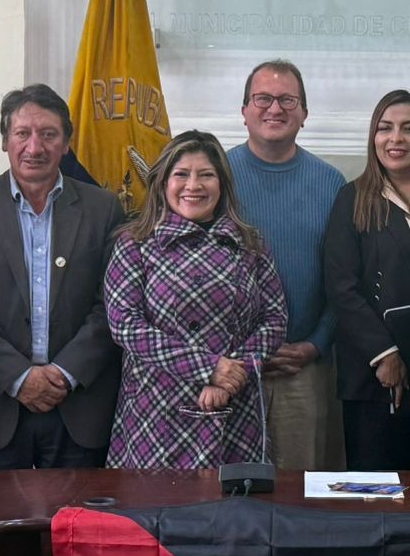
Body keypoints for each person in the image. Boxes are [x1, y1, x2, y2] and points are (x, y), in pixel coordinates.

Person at [0, 85, 125, 472]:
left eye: (49, 134)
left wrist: (64, 373)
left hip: (79, 407)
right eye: (22, 133)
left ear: (67, 143)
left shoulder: (103, 208)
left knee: (76, 530)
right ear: (5, 140)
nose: (35, 146)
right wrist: (19, 377)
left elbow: (113, 303)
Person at [103, 130, 287, 468]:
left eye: (206, 175)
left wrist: (231, 375)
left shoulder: (251, 244)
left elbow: (274, 322)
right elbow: (124, 325)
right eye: (181, 174)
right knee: (154, 514)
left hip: (235, 409)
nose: (193, 185)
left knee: (237, 513)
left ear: (222, 184)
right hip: (156, 413)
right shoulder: (135, 244)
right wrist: (208, 368)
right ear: (162, 183)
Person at [323, 90, 410, 470]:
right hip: (378, 371)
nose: (396, 139)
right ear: (373, 137)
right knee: (379, 490)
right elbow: (342, 286)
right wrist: (384, 355)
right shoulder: (353, 199)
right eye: (385, 128)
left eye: (409, 128)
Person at [226, 59, 346, 469]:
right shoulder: (214, 177)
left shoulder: (331, 183)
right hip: (230, 367)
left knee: (301, 495)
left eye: (287, 100)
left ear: (304, 114)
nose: (274, 109)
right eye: (262, 98)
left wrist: (316, 343)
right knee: (230, 493)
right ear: (244, 111)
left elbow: (344, 279)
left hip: (303, 366)